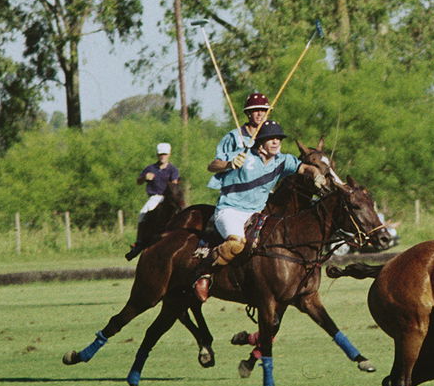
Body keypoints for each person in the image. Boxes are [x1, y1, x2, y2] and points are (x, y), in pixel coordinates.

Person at [193, 120, 302, 301]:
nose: (276, 142)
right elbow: (212, 165)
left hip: (257, 214)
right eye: (271, 139)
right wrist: (230, 164)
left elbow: (303, 167)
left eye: (278, 139)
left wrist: (317, 175)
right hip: (230, 210)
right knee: (237, 244)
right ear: (261, 144)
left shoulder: (283, 160)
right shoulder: (243, 154)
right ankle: (202, 272)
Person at [124, 141, 182, 260]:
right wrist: (144, 177)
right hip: (155, 197)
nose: (163, 156)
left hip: (169, 197)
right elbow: (138, 181)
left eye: (165, 154)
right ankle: (138, 242)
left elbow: (175, 185)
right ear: (157, 155)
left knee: (182, 213)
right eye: (161, 154)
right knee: (142, 214)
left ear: (169, 154)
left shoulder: (173, 170)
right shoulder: (150, 168)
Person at [208, 93, 273, 178]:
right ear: (248, 113)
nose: (260, 114)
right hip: (237, 189)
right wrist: (230, 164)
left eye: (263, 110)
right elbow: (212, 166)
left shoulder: (272, 137)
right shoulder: (234, 136)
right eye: (256, 110)